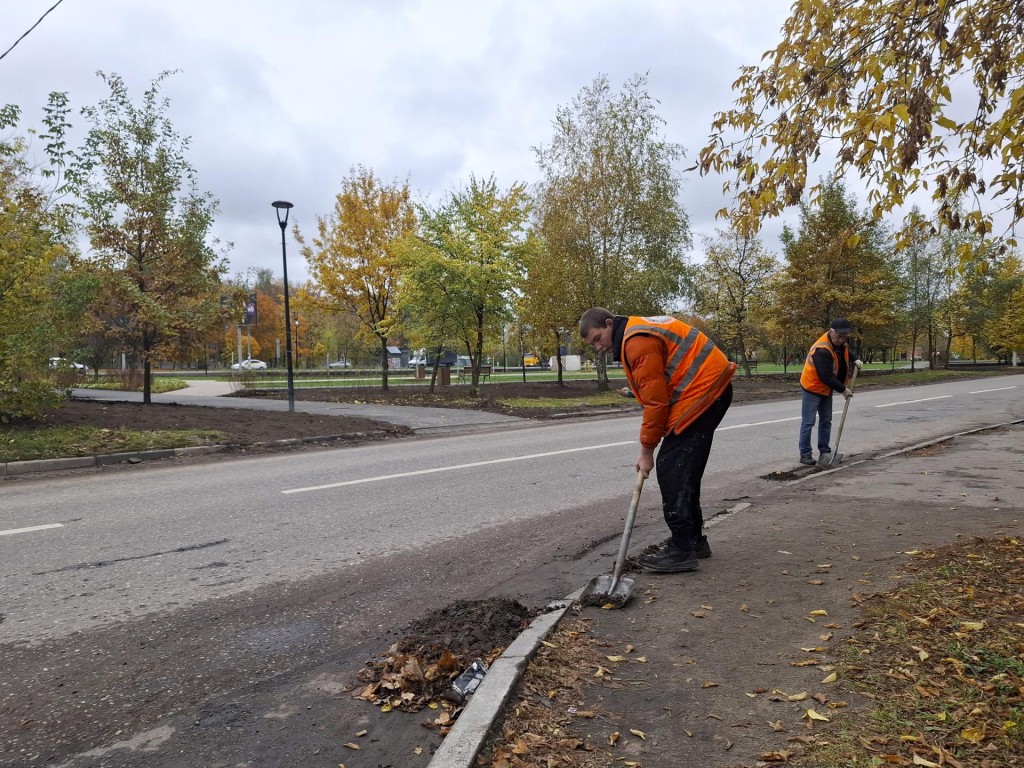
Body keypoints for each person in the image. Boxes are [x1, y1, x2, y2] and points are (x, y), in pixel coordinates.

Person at [579, 308, 736, 573]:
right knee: (684, 471)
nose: (598, 347)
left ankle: (682, 549)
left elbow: (656, 403)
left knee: (672, 470)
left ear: (609, 324)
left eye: (597, 338)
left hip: (704, 393)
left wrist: (646, 451)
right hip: (709, 389)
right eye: (593, 344)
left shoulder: (636, 342)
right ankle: (693, 541)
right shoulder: (635, 331)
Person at [798, 317, 863, 466]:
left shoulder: (839, 342)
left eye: (844, 336)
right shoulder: (822, 350)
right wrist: (843, 389)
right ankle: (805, 454)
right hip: (812, 387)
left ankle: (825, 451)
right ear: (831, 332)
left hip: (826, 388)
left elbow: (845, 349)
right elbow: (826, 376)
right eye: (839, 336)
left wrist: (855, 358)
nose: (841, 340)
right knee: (808, 422)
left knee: (826, 420)